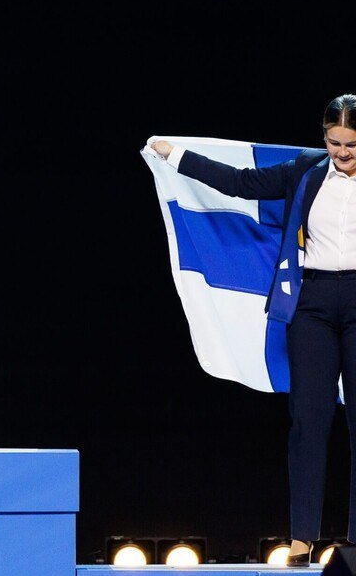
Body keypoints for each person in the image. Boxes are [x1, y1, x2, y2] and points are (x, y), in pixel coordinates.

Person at [149, 94, 356, 566]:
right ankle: (302, 537)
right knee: (308, 422)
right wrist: (176, 156)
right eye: (334, 142)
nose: (342, 153)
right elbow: (240, 182)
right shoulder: (305, 170)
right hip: (312, 304)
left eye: (351, 144)